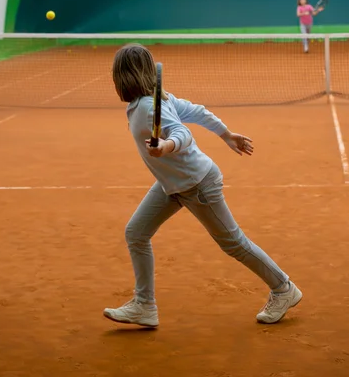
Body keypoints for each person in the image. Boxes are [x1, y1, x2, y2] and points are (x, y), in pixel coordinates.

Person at [104, 44, 302, 328]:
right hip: (171, 184)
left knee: (234, 243)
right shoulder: (155, 99)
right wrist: (226, 135)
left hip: (197, 184)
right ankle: (144, 305)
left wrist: (167, 146)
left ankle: (284, 288)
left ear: (123, 75)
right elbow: (196, 111)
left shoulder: (150, 107)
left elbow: (182, 131)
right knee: (136, 233)